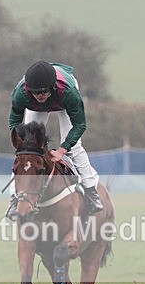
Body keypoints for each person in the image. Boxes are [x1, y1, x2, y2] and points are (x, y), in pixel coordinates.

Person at [6, 60, 104, 219]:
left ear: (51, 86)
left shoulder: (68, 92)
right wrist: (22, 143)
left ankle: (91, 191)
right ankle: (14, 199)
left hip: (62, 101)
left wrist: (62, 149)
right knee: (26, 153)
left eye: (44, 91)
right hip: (36, 106)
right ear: (29, 90)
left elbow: (80, 125)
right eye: (36, 92)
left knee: (74, 148)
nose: (40, 96)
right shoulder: (21, 94)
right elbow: (14, 122)